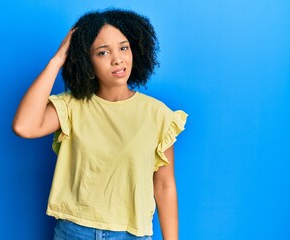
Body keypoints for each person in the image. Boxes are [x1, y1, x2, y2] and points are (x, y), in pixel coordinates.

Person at [12, 8, 187, 240]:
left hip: (131, 234)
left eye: (123, 48)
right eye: (103, 53)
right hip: (73, 231)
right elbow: (24, 126)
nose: (117, 59)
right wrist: (57, 61)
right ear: (86, 62)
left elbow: (164, 185)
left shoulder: (158, 115)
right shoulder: (71, 106)